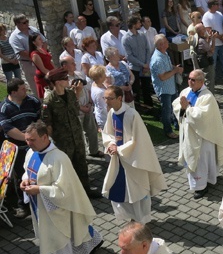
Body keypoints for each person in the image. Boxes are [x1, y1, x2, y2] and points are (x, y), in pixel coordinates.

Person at [20, 120, 103, 254]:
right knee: (74, 230)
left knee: (56, 240)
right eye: (27, 139)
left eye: (32, 140)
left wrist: (40, 189)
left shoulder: (59, 158)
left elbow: (65, 190)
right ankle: (94, 243)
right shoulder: (30, 152)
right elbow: (27, 170)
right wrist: (25, 180)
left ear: (44, 137)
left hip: (57, 209)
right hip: (39, 206)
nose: (28, 143)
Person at [102, 85, 166, 223]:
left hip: (133, 160)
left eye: (110, 98)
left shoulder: (132, 114)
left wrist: (119, 149)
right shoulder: (112, 113)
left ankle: (141, 220)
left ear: (120, 98)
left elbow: (137, 141)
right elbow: (108, 133)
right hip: (118, 160)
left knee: (137, 191)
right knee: (119, 190)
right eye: (105, 98)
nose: (106, 102)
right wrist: (111, 144)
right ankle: (130, 217)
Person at [41, 67, 99, 197]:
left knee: (81, 163)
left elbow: (75, 109)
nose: (68, 80)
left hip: (77, 136)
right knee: (67, 167)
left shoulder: (71, 94)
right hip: (63, 140)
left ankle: (86, 190)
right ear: (57, 82)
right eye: (65, 78)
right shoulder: (49, 101)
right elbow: (47, 123)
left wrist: (77, 92)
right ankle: (71, 195)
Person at [173, 69, 223, 199]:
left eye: (193, 80)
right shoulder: (186, 92)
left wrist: (187, 108)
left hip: (203, 136)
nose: (190, 82)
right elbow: (176, 105)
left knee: (202, 161)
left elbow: (203, 116)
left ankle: (202, 186)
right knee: (192, 157)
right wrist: (182, 108)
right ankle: (199, 183)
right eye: (189, 78)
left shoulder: (207, 96)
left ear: (201, 81)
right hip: (189, 134)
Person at [0, 78, 40, 219]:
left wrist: (37, 139)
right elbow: (9, 130)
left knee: (38, 174)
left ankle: (40, 200)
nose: (26, 90)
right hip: (19, 150)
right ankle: (23, 204)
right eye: (23, 89)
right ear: (14, 92)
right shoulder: (4, 108)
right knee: (21, 177)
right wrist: (29, 139)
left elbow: (40, 120)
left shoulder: (33, 101)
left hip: (36, 146)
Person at [60, 57, 102, 158]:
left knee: (91, 130)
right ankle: (81, 156)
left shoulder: (78, 74)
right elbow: (68, 99)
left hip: (87, 106)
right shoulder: (63, 80)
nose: (75, 64)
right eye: (72, 63)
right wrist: (81, 108)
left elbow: (87, 89)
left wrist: (90, 102)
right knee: (78, 135)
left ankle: (94, 150)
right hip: (76, 111)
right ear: (64, 66)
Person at [150, 34, 183, 139]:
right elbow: (162, 77)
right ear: (161, 45)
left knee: (175, 107)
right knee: (166, 111)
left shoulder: (164, 53)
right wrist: (175, 71)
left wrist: (174, 68)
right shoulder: (157, 59)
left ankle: (177, 125)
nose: (168, 43)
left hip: (171, 87)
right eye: (166, 41)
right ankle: (168, 131)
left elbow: (168, 67)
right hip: (164, 90)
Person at [9, 14, 46, 97]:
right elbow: (22, 52)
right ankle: (40, 105)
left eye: (27, 21)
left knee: (47, 82)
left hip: (42, 60)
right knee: (36, 87)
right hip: (28, 63)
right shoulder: (14, 37)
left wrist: (43, 55)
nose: (27, 23)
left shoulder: (33, 30)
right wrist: (37, 57)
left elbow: (44, 41)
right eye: (24, 22)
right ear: (17, 24)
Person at [123, 16, 154, 109]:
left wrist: (147, 64)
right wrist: (142, 64)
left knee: (147, 88)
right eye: (138, 23)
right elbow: (129, 56)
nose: (140, 24)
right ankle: (138, 109)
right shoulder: (126, 39)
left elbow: (147, 49)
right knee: (136, 89)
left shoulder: (142, 35)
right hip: (134, 69)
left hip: (146, 67)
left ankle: (149, 107)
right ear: (133, 25)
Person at [29, 32, 55, 98]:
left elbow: (50, 61)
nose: (42, 40)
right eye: (39, 39)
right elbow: (43, 69)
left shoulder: (42, 49)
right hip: (44, 79)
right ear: (34, 42)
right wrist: (54, 75)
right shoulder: (35, 54)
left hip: (51, 75)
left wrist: (56, 70)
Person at [88, 65, 109, 131]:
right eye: (104, 74)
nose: (106, 75)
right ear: (100, 77)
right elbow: (103, 108)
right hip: (105, 118)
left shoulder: (95, 84)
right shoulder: (99, 92)